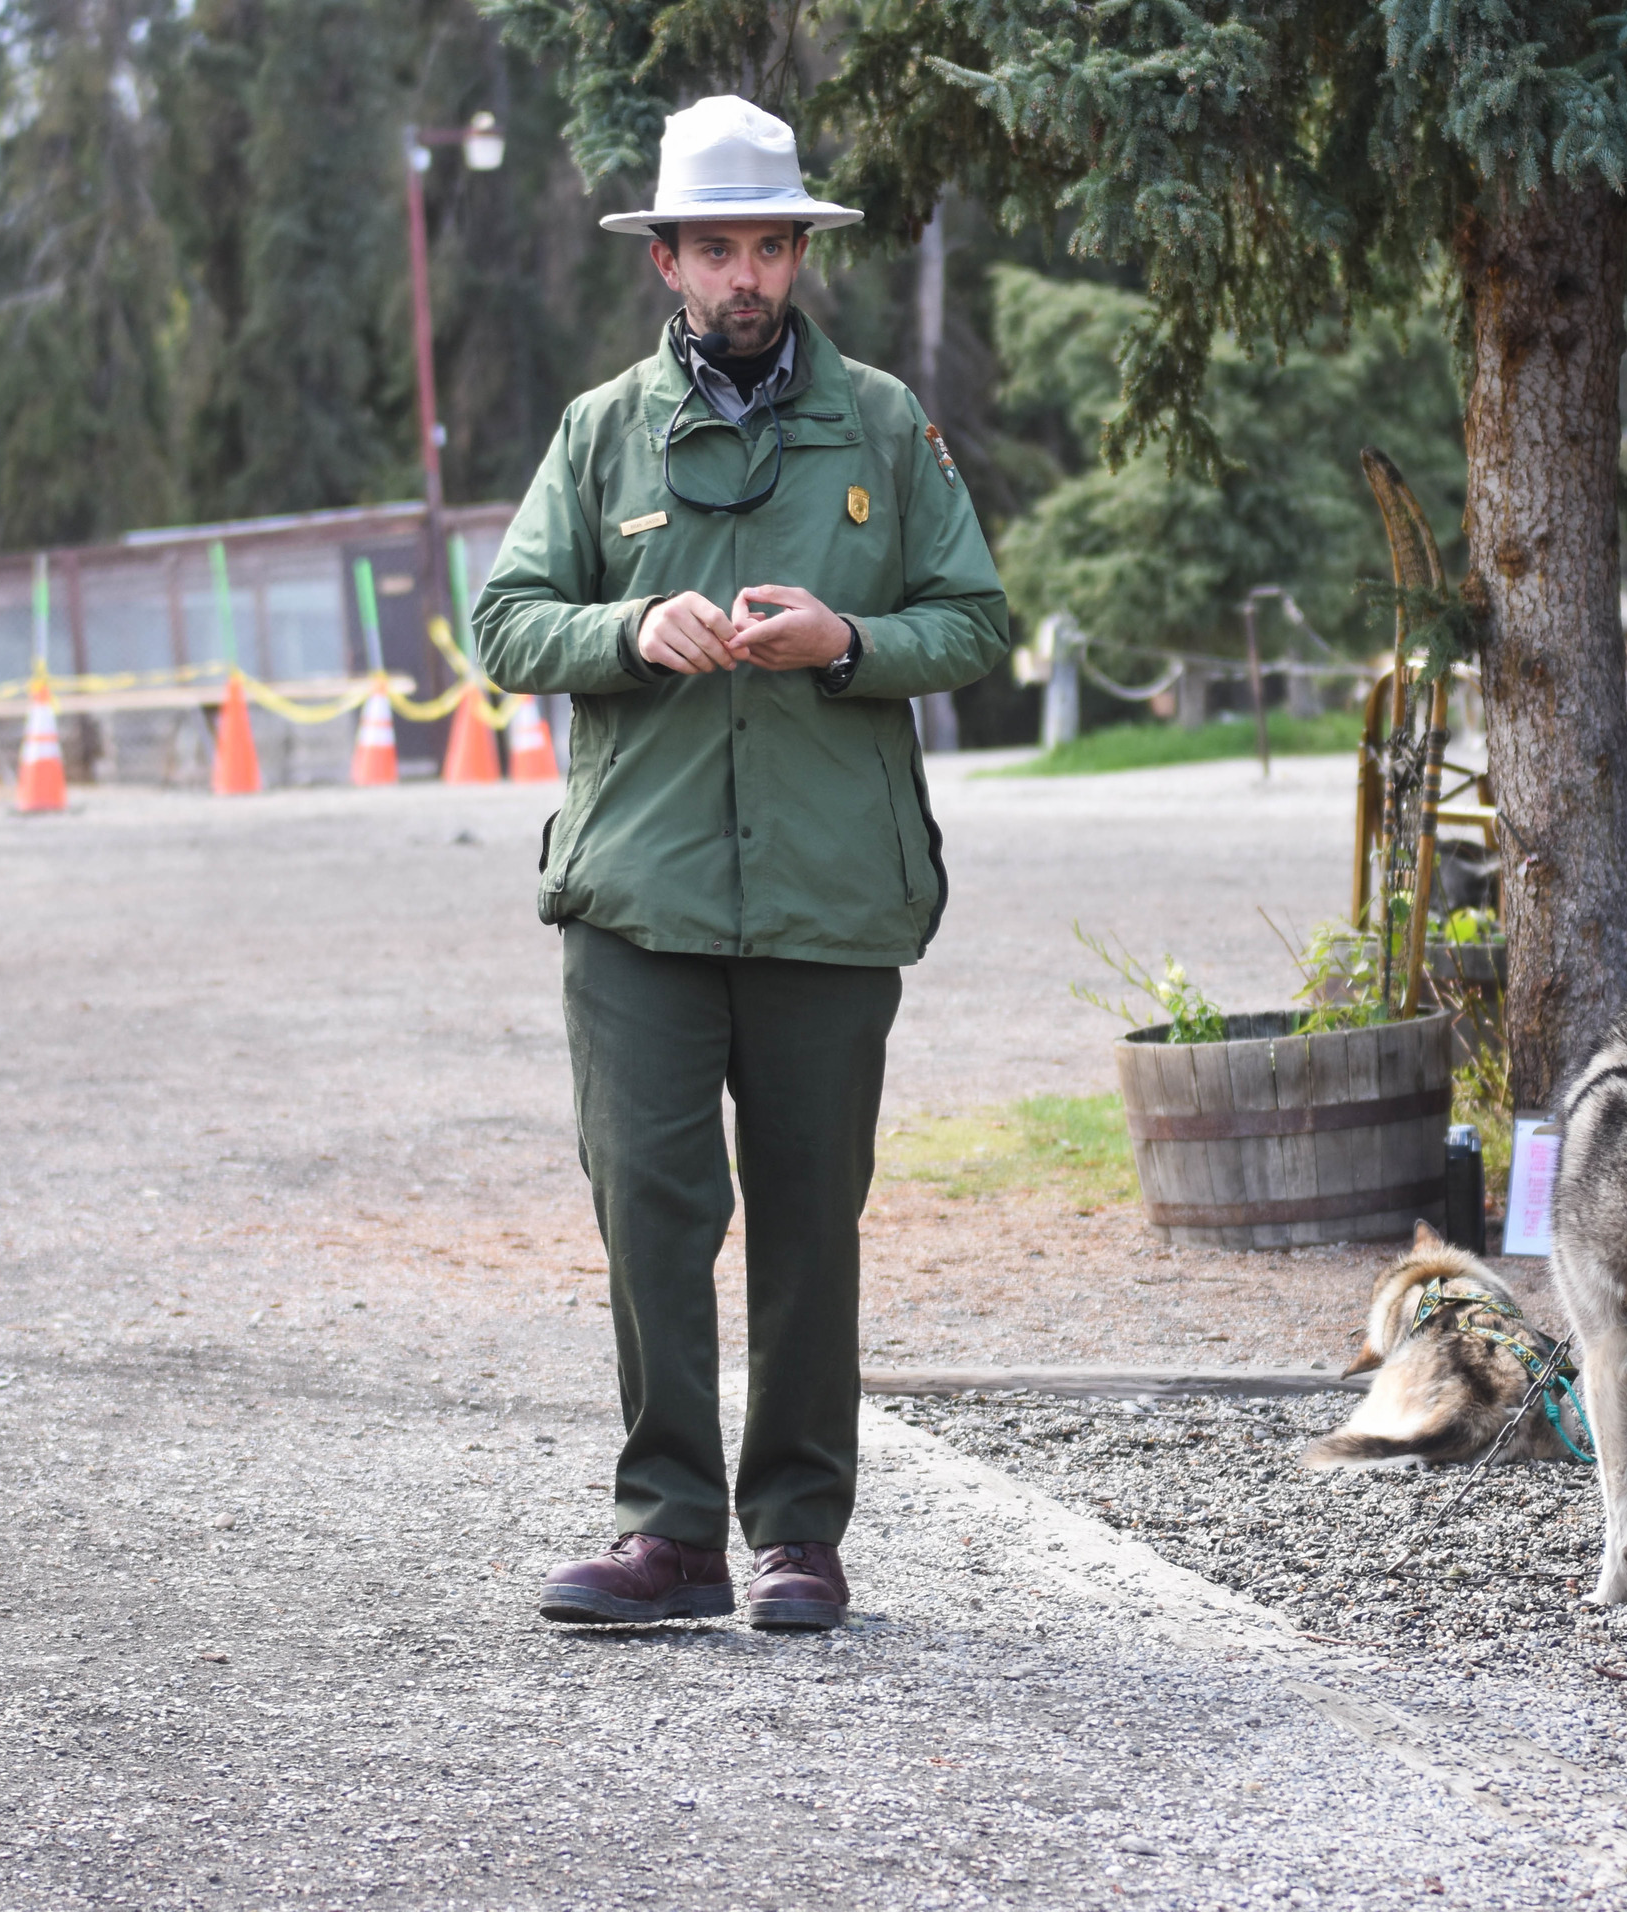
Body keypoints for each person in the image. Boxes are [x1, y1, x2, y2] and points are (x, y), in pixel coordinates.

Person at [471, 96, 1009, 1631]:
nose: (747, 275)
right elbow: (507, 623)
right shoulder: (597, 433)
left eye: (770, 245)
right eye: (718, 248)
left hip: (833, 899)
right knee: (650, 1201)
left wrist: (852, 643)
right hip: (635, 897)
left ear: (796, 254)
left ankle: (798, 1536)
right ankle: (670, 1534)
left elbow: (975, 624)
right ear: (668, 263)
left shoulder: (889, 427)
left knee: (803, 1215)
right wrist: (627, 633)